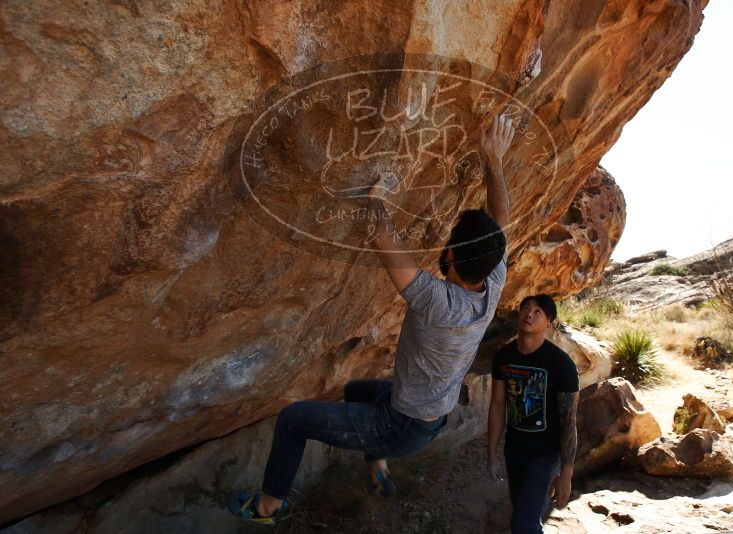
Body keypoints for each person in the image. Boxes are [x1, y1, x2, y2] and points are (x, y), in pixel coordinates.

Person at [226, 114, 517, 525]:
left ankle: (267, 507)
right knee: (358, 389)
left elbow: (383, 238)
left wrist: (374, 191)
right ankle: (377, 465)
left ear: (450, 255)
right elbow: (500, 219)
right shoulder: (491, 282)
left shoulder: (438, 302)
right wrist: (494, 159)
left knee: (292, 421)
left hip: (400, 426)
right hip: (431, 414)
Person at [487, 294, 580, 534]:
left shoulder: (561, 365)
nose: (530, 313)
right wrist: (492, 453)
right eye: (526, 308)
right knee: (523, 512)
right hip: (514, 450)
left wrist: (566, 474)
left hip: (544, 456)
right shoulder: (504, 357)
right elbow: (497, 405)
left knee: (522, 524)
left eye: (538, 311)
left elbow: (568, 421)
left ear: (549, 324)